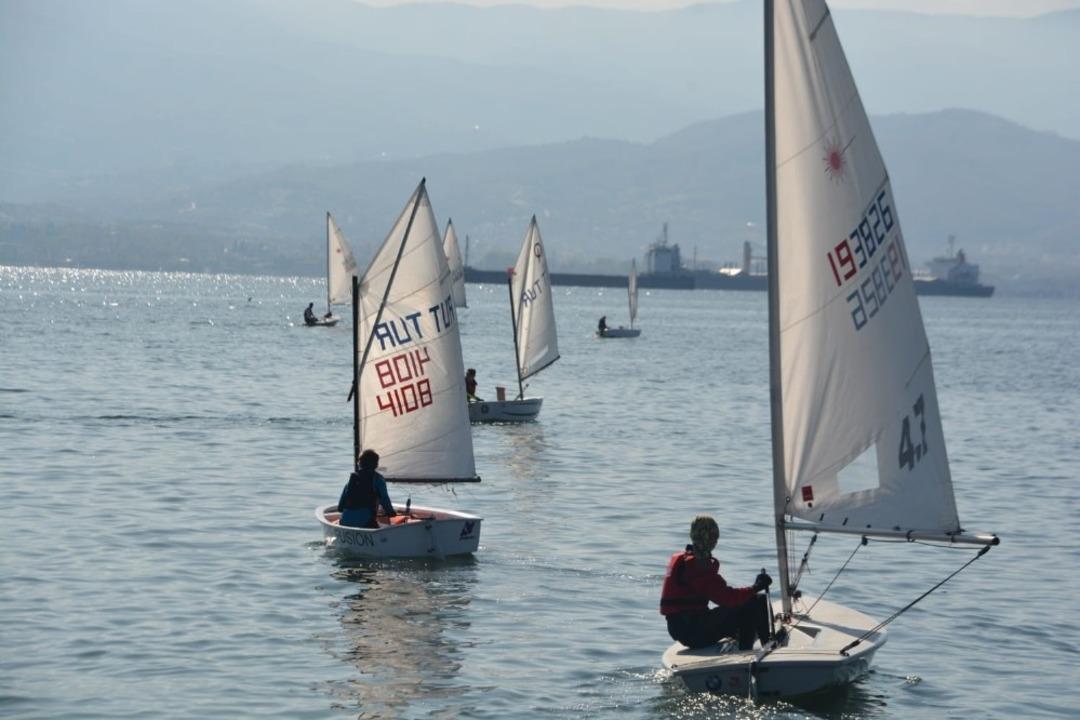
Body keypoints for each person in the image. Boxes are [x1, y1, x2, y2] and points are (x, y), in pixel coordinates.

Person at [660, 515, 774, 651]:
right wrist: (756, 587)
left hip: (683, 627)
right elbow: (727, 598)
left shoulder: (683, 558)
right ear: (712, 540)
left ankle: (750, 642)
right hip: (693, 631)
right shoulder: (698, 565)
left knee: (746, 603)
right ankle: (762, 647)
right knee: (755, 601)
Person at [337, 449, 397, 529]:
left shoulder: (352, 480)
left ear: (360, 463)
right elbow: (384, 499)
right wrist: (391, 513)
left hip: (345, 523)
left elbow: (340, 508)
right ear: (376, 465)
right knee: (387, 526)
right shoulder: (378, 479)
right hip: (366, 525)